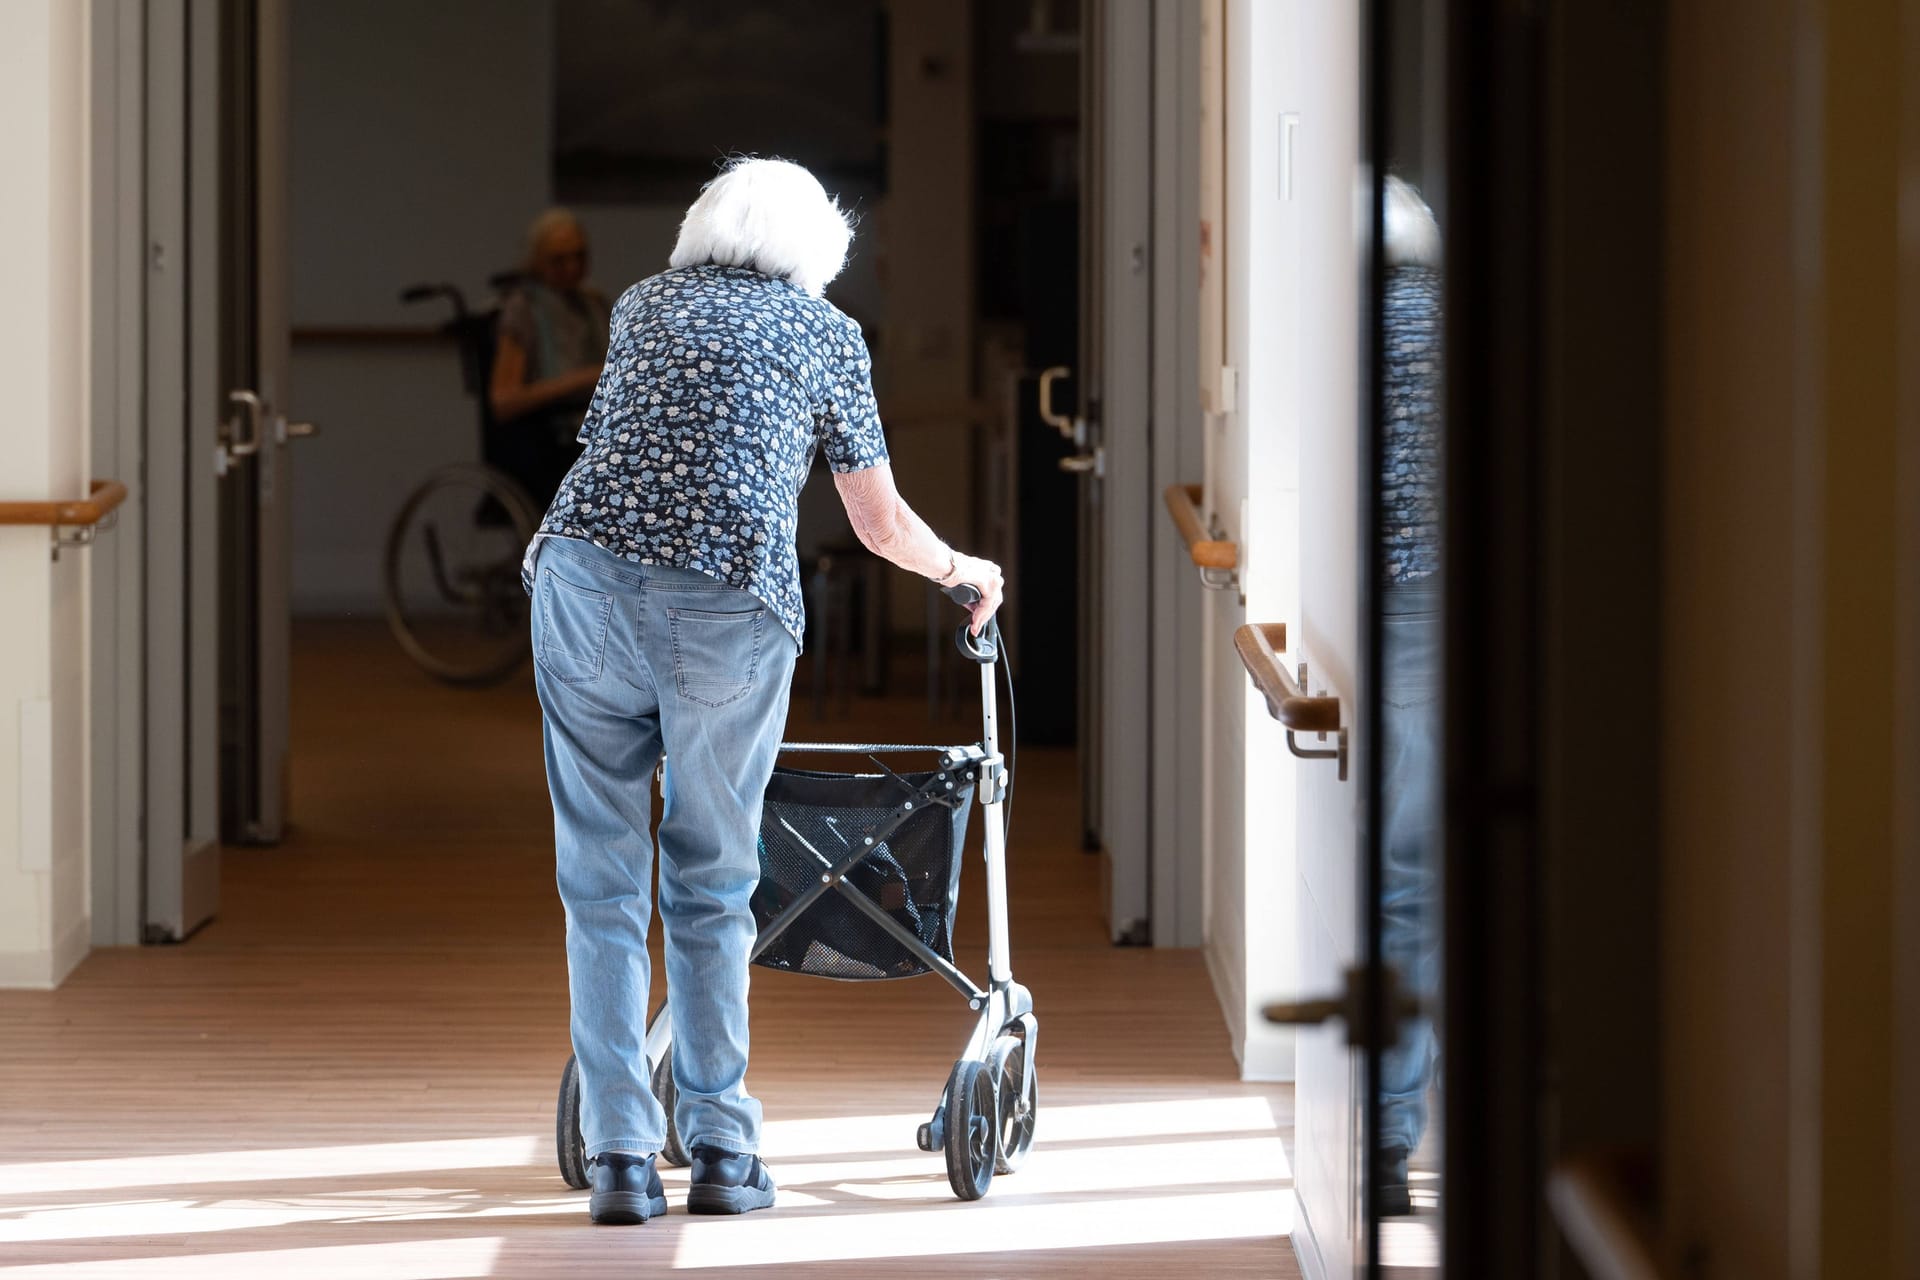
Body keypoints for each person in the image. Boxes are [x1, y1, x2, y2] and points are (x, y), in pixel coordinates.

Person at [522, 157, 1004, 1226]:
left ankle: (618, 1158)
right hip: (723, 602)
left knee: (597, 881)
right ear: (817, 249)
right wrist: (965, 570)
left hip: (580, 579)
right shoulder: (826, 333)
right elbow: (878, 524)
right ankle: (726, 1153)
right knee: (710, 877)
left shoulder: (645, 303)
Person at [1377, 174, 1443, 1216]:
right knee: (1415, 870)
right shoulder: (1446, 312)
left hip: (1379, 605)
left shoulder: (1338, 322)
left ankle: (1386, 1140)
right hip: (1442, 602)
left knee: (1396, 878)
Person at [490, 208, 611, 511]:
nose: (572, 268)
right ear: (537, 263)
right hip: (547, 435)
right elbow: (504, 401)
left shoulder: (593, 304)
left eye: (580, 256)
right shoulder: (524, 309)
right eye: (559, 260)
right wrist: (581, 380)